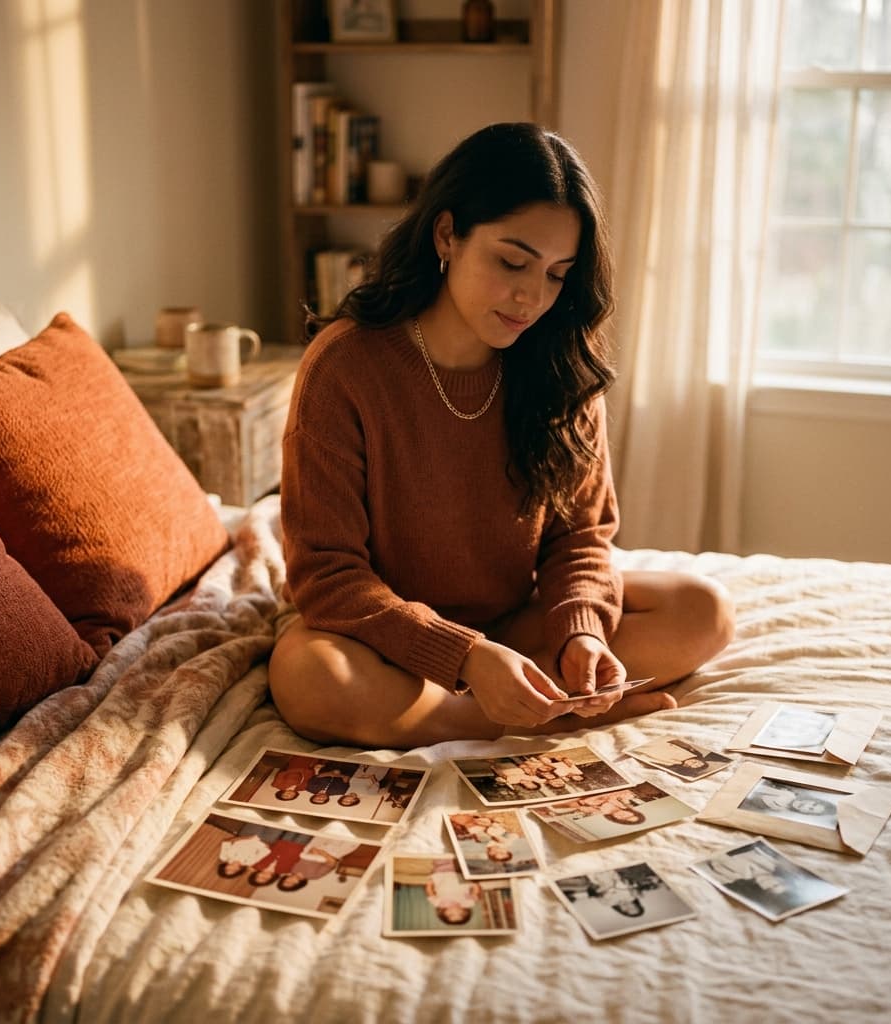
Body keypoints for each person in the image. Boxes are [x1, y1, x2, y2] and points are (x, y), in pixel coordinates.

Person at [269, 122, 735, 748]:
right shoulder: (346, 366)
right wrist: (464, 658)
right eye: (512, 261)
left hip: (514, 626)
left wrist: (582, 634)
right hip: (383, 639)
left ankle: (526, 698)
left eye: (556, 273)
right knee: (309, 676)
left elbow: (582, 539)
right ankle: (524, 715)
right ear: (447, 234)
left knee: (702, 609)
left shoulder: (560, 363)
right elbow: (327, 575)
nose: (530, 296)